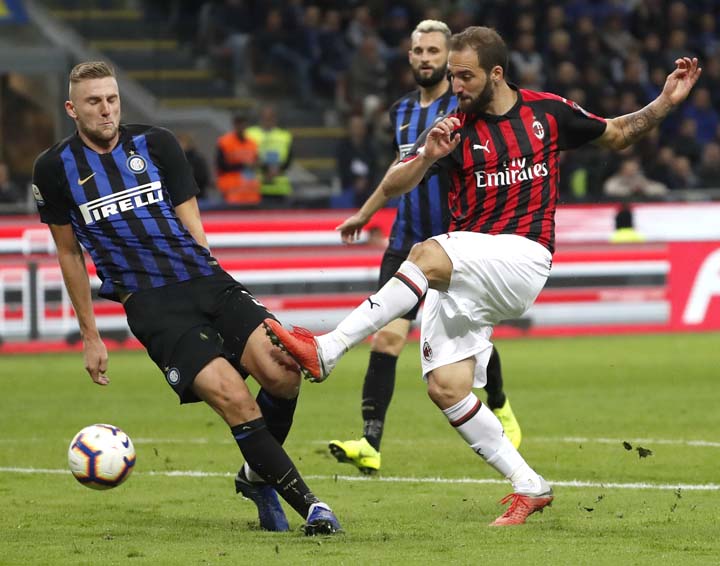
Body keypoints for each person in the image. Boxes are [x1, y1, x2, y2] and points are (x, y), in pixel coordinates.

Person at [264, 27, 701, 525]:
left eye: (465, 76)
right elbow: (395, 182)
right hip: (473, 270)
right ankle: (529, 485)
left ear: (496, 73)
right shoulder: (452, 130)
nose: (456, 86)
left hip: (524, 257)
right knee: (446, 386)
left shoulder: (547, 113)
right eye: (452, 76)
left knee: (425, 253)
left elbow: (618, 133)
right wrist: (428, 154)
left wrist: (665, 101)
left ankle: (326, 349)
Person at [32, 61, 341, 536]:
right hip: (154, 307)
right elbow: (69, 254)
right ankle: (314, 508)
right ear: (73, 109)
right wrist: (90, 335)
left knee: (283, 375)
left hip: (205, 280)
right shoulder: (54, 168)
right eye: (94, 102)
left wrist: (213, 277)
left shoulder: (156, 142)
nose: (107, 109)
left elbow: (190, 218)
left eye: (112, 99)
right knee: (236, 400)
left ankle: (255, 476)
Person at [327, 20, 521, 478]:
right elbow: (401, 166)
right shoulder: (400, 112)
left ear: (449, 57)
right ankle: (369, 444)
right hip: (405, 240)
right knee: (388, 337)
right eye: (419, 51)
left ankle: (499, 403)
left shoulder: (467, 106)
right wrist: (368, 211)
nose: (426, 58)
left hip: (455, 245)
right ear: (409, 56)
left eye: (435, 50)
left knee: (472, 339)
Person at [245, 105, 293, 207]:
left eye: (270, 117)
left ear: (275, 118)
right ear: (260, 118)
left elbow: (289, 160)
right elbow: (245, 158)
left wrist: (278, 170)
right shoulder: (249, 134)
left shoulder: (284, 136)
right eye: (265, 117)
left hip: (279, 188)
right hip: (254, 188)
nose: (268, 120)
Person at [215, 113, 261, 206]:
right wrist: (242, 165)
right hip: (231, 190)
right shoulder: (225, 142)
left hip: (250, 191)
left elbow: (256, 161)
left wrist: (255, 164)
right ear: (235, 125)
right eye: (239, 124)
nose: (241, 127)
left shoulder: (252, 143)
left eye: (243, 124)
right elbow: (221, 165)